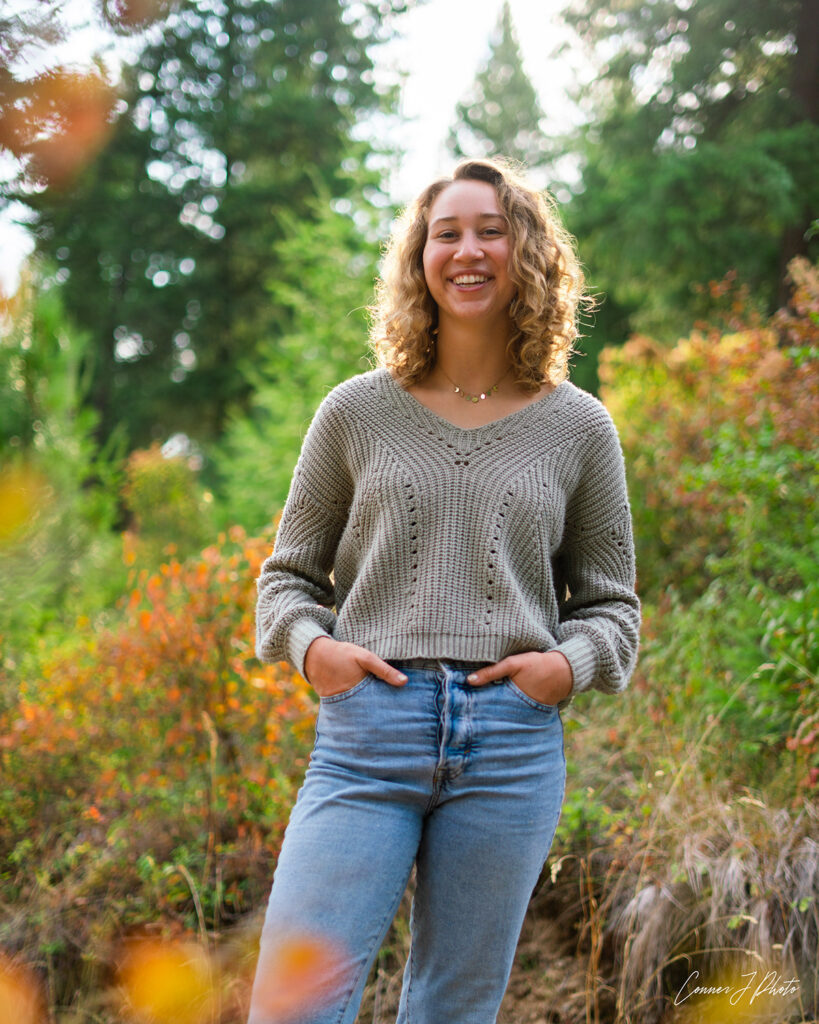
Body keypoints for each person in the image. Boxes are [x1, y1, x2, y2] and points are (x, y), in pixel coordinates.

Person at [247, 157, 640, 1024]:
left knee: (453, 1011)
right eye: (445, 232)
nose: (467, 250)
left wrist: (563, 669)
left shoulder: (578, 427)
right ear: (418, 258)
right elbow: (286, 579)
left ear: (527, 254)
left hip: (509, 746)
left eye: (489, 230)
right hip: (365, 737)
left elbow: (612, 605)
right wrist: (316, 651)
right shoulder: (355, 411)